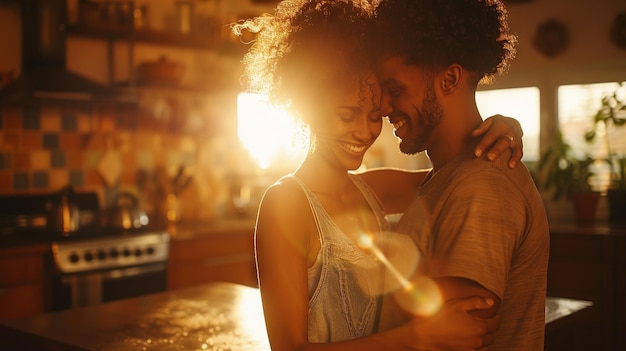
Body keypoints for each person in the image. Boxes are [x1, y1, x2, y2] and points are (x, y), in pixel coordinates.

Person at [234, 0, 525, 350]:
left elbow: (458, 175)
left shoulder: (375, 189)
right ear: (306, 109)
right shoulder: (285, 204)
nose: (364, 131)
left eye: (373, 115)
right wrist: (415, 338)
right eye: (347, 114)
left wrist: (507, 126)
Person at [364, 0, 550, 350]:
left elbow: (455, 341)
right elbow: (361, 189)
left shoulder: (480, 187)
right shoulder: (448, 177)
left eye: (396, 89)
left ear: (449, 79)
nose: (385, 107)